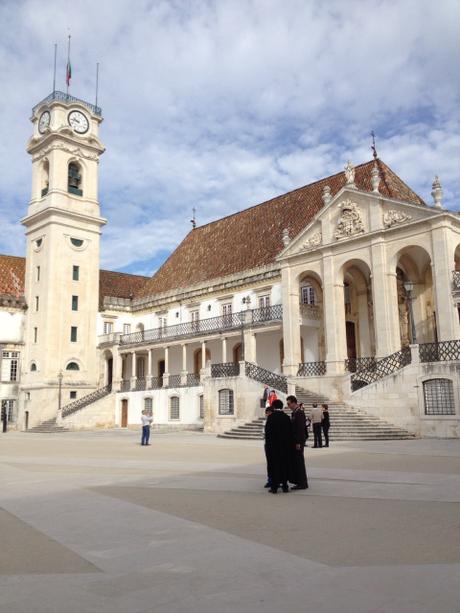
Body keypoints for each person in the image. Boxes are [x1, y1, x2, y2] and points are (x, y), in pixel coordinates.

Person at [264, 399, 291, 494]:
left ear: (274, 407)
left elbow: (267, 434)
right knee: (284, 465)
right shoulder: (286, 417)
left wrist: (268, 446)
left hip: (273, 446)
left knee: (274, 466)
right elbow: (289, 433)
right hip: (284, 447)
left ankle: (274, 487)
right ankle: (285, 486)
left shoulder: (271, 418)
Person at [286, 395, 308, 490]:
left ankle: (302, 483)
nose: (288, 406)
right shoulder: (295, 413)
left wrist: (298, 442)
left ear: (294, 403)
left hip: (298, 441)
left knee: (299, 462)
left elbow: (300, 429)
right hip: (296, 441)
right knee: (297, 461)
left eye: (289, 403)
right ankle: (299, 481)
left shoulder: (299, 413)